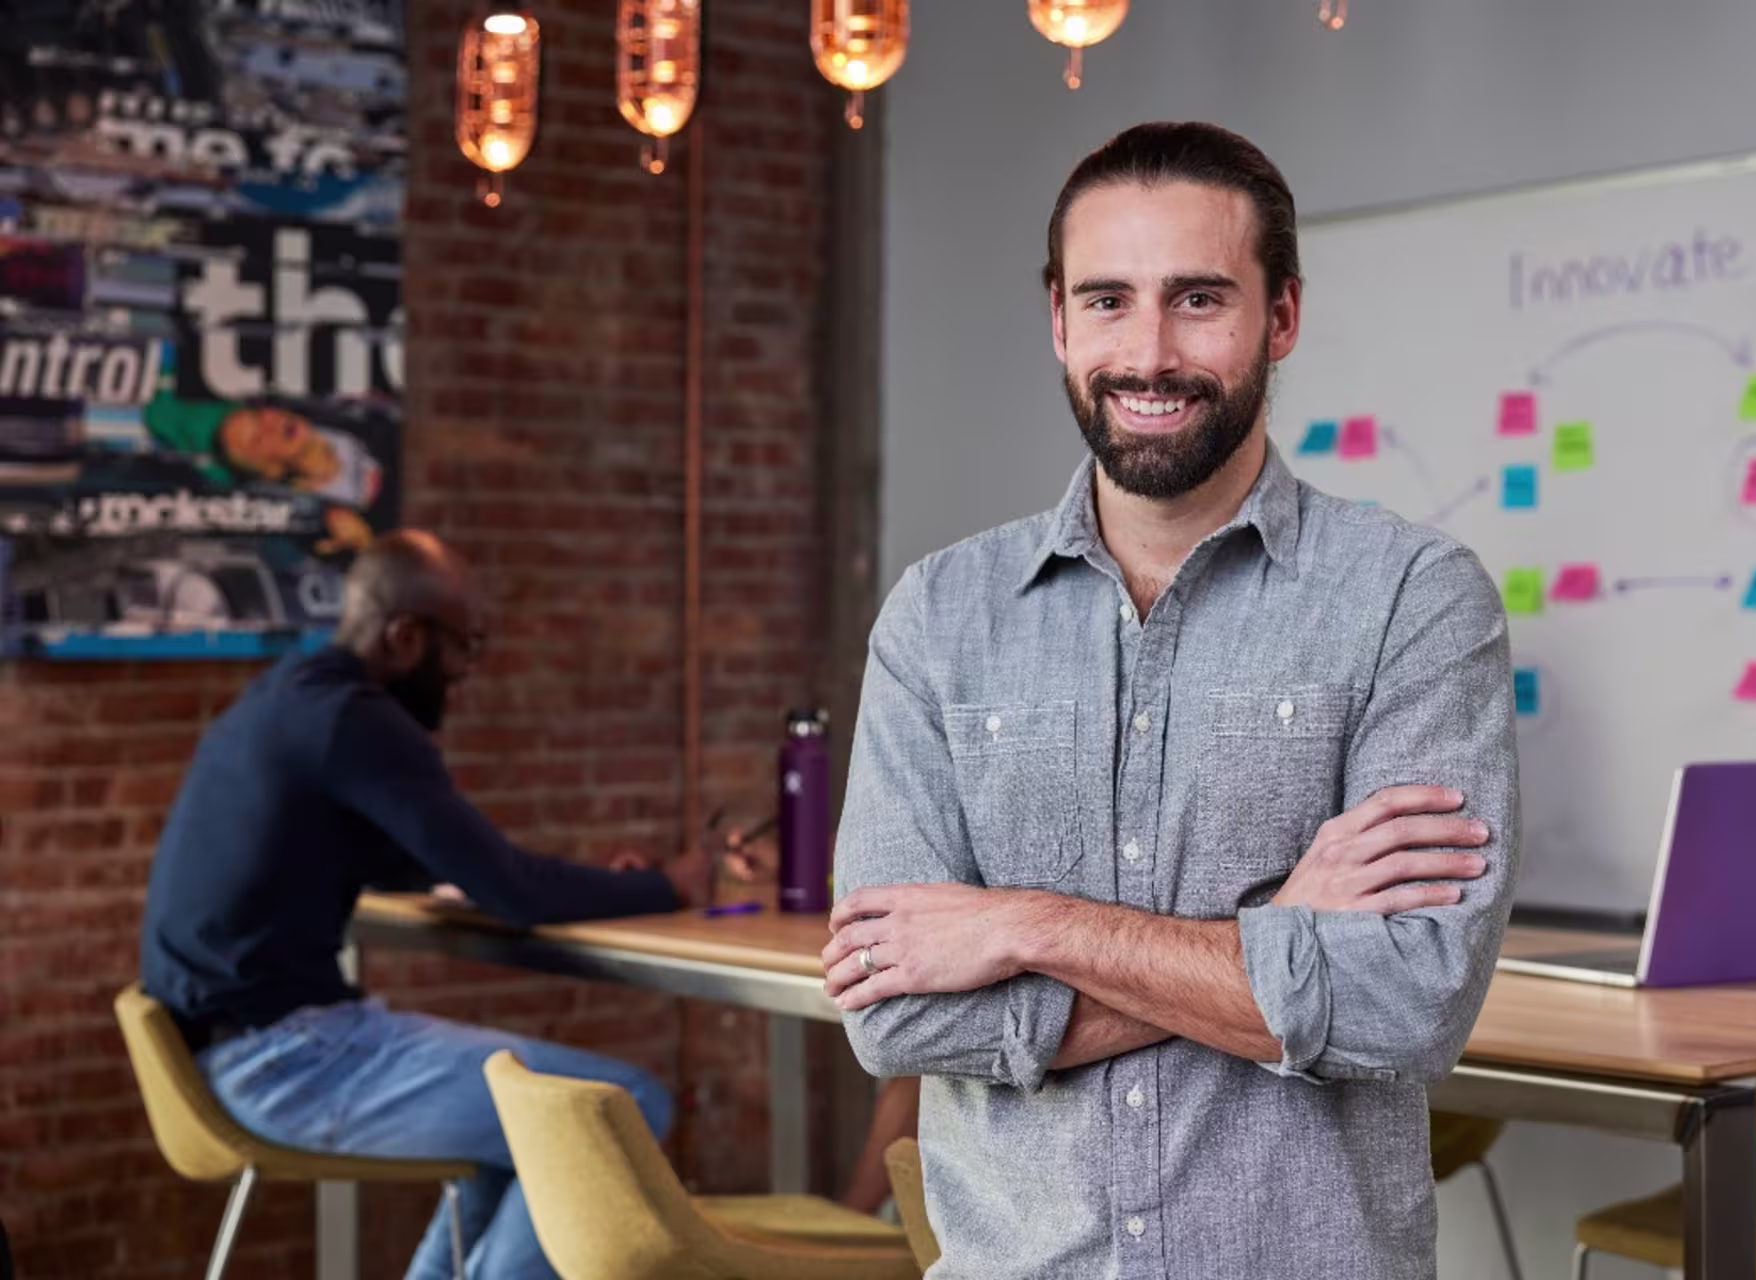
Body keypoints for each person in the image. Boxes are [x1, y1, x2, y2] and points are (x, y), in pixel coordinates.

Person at [824, 122, 1519, 1279]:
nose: (1148, 352)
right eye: (1107, 300)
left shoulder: (1413, 599)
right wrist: (1281, 933)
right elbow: (894, 1018)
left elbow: (1408, 1003)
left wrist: (1022, 925)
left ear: (1281, 316)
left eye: (1199, 299)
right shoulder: (938, 614)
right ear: (1057, 318)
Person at [139, 529, 750, 1280]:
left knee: (525, 1132)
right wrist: (673, 885)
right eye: (464, 646)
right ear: (404, 637)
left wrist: (612, 884)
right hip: (286, 1059)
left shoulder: (286, 697)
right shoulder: (357, 722)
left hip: (230, 1045)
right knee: (618, 1107)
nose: (464, 672)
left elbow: (422, 865)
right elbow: (513, 890)